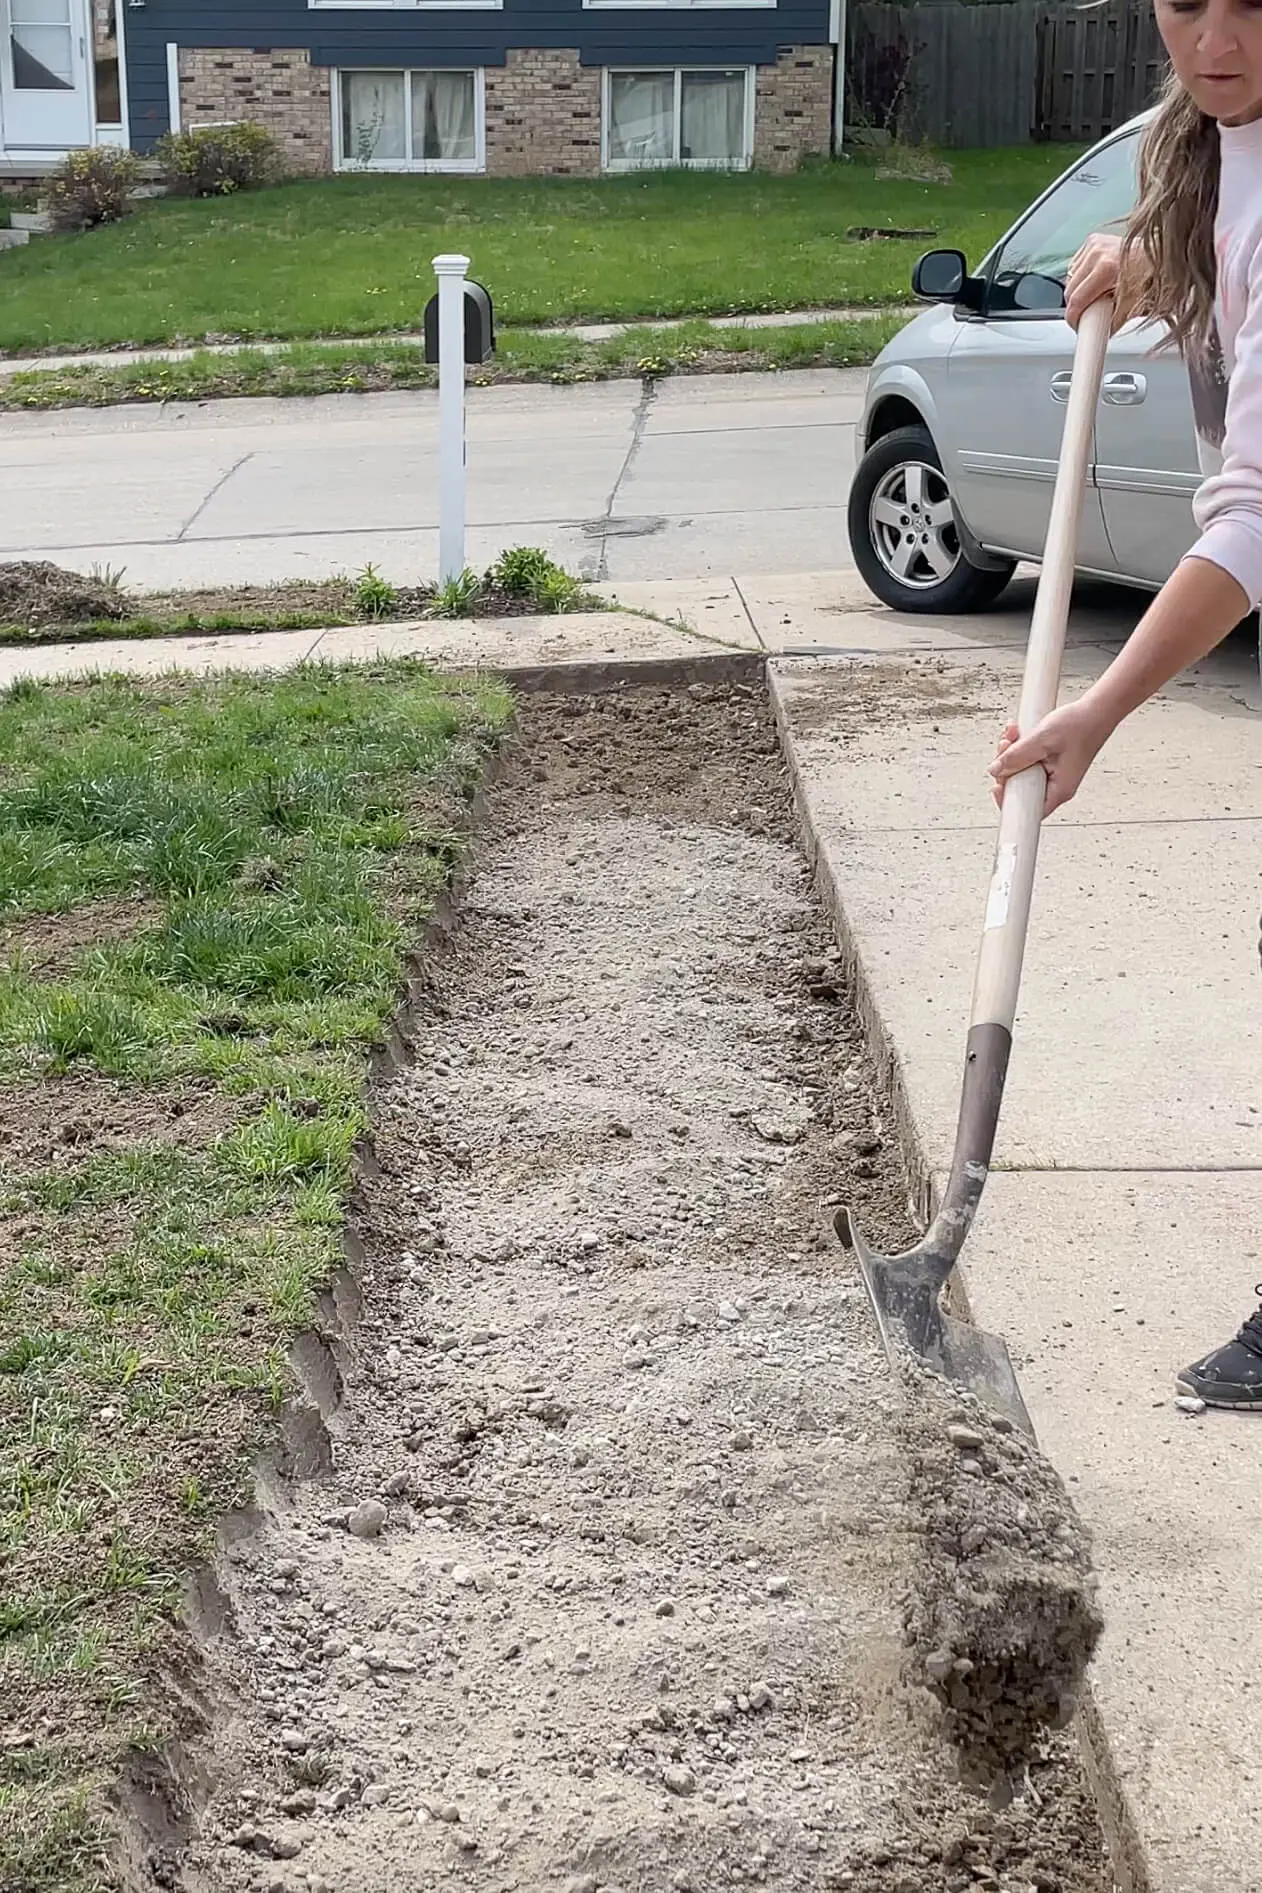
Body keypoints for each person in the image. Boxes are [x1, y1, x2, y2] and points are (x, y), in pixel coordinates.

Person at [989, 0, 1262, 1407]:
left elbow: (1257, 516)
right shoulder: (1219, 154)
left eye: (1247, 2)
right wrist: (1150, 256)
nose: (1209, 35)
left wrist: (1094, 711)